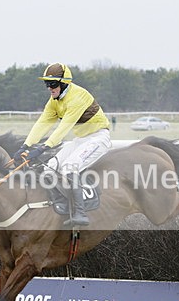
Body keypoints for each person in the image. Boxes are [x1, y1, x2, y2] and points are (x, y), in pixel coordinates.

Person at [15, 63, 111, 226]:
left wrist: (43, 148)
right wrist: (25, 146)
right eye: (46, 84)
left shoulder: (77, 97)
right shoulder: (54, 101)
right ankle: (62, 204)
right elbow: (42, 124)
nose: (49, 88)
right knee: (49, 167)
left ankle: (80, 213)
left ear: (64, 83)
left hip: (98, 138)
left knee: (69, 167)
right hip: (81, 140)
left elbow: (64, 127)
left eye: (52, 84)